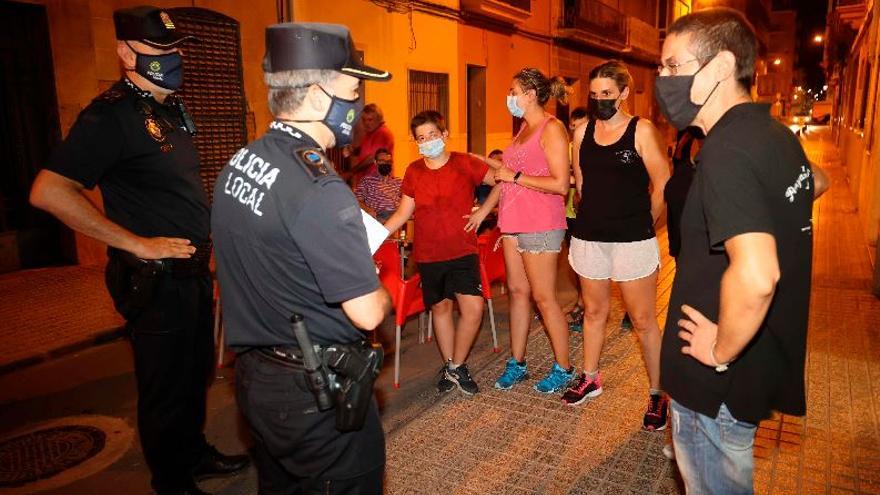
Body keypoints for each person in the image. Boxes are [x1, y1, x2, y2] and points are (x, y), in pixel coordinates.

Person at [28, 7, 249, 494]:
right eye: (159, 50)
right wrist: (134, 242)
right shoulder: (110, 115)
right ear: (124, 52)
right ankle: (170, 481)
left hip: (189, 271)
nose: (172, 59)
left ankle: (192, 455)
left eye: (175, 50)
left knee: (193, 376)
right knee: (164, 387)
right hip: (154, 278)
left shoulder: (168, 107)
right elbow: (48, 191)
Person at [211, 22, 392, 494]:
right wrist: (376, 282)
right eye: (351, 91)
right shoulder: (321, 189)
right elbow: (367, 311)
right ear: (316, 97)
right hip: (316, 394)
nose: (356, 106)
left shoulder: (241, 161)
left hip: (257, 380)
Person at [656, 9, 828, 493]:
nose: (662, 79)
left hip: (717, 386)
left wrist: (719, 349)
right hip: (753, 372)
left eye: (672, 66)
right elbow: (817, 181)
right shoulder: (772, 136)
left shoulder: (728, 151)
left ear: (719, 67)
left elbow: (757, 276)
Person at [562, 61, 671, 435]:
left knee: (643, 321)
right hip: (591, 236)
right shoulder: (581, 132)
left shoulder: (642, 131)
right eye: (594, 95)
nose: (600, 101)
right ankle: (590, 377)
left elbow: (662, 185)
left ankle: (658, 392)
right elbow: (581, 184)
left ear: (624, 93)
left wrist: (646, 223)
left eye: (607, 94)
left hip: (633, 239)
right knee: (594, 311)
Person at [470, 68, 574, 394]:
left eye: (513, 90)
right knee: (518, 293)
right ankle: (517, 362)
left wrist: (513, 175)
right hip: (513, 224)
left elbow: (560, 184)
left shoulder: (552, 129)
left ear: (529, 94)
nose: (509, 97)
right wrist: (483, 213)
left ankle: (564, 367)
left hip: (541, 223)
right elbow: (504, 177)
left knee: (544, 298)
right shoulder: (521, 132)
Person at [384, 110, 496, 395]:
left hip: (462, 250)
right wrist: (372, 238)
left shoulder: (463, 163)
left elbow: (502, 181)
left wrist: (483, 212)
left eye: (432, 135)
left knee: (473, 309)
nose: (427, 141)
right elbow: (402, 214)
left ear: (444, 135)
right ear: (416, 141)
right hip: (429, 253)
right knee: (441, 309)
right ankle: (451, 365)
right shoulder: (413, 171)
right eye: (421, 138)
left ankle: (457, 366)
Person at [565, 107, 588, 333]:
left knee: (586, 264)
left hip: (586, 214)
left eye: (580, 126)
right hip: (568, 214)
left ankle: (585, 306)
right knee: (574, 263)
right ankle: (581, 302)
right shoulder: (567, 148)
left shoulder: (592, 147)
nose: (575, 131)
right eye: (572, 127)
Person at [348, 103, 395, 186]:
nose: (366, 123)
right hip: (368, 184)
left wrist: (351, 172)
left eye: (370, 120)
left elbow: (372, 158)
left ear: (379, 119)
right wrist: (354, 150)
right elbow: (365, 152)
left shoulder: (382, 133)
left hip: (379, 185)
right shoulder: (370, 133)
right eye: (364, 120)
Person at [355, 147, 401, 222]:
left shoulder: (398, 182)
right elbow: (357, 201)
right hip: (378, 216)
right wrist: (368, 210)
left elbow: (407, 201)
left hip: (396, 216)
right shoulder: (366, 181)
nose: (385, 163)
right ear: (375, 162)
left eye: (388, 161)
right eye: (382, 161)